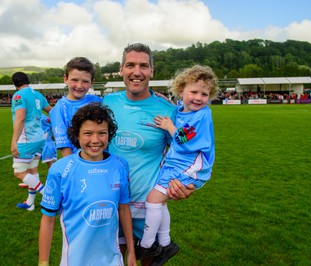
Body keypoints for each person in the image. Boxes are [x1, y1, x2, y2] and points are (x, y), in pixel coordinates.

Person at [102, 43, 195, 265]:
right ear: (121, 69)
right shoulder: (107, 103)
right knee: (116, 259)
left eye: (143, 66)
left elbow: (187, 153)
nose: (137, 72)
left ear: (152, 70)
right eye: (130, 65)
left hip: (148, 207)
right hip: (112, 201)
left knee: (147, 261)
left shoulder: (167, 110)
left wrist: (188, 184)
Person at [39, 102, 137, 266]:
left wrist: (131, 251)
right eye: (88, 133)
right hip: (74, 261)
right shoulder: (60, 170)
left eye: (102, 133)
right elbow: (48, 219)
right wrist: (43, 262)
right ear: (76, 135)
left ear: (109, 134)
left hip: (113, 260)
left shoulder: (120, 165)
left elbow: (124, 209)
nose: (95, 140)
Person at [138, 65, 218, 264]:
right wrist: (168, 103)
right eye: (194, 92)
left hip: (190, 166)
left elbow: (184, 138)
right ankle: (165, 244)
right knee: (160, 201)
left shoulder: (202, 114)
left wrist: (169, 126)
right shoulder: (182, 110)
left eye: (204, 94)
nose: (198, 98)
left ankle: (146, 246)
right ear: (181, 91)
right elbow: (179, 112)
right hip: (175, 163)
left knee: (153, 199)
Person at [10, 72, 52, 211]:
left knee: (19, 172)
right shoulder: (38, 95)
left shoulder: (19, 95)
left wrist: (14, 141)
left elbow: (20, 117)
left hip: (27, 139)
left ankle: (48, 196)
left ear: (15, 84)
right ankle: (30, 203)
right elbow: (51, 111)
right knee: (32, 170)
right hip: (40, 138)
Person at [49, 57, 101, 158]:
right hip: (78, 163)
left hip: (101, 161)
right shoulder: (59, 109)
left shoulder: (97, 101)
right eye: (74, 80)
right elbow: (65, 146)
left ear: (92, 82)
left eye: (85, 81)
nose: (79, 85)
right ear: (65, 79)